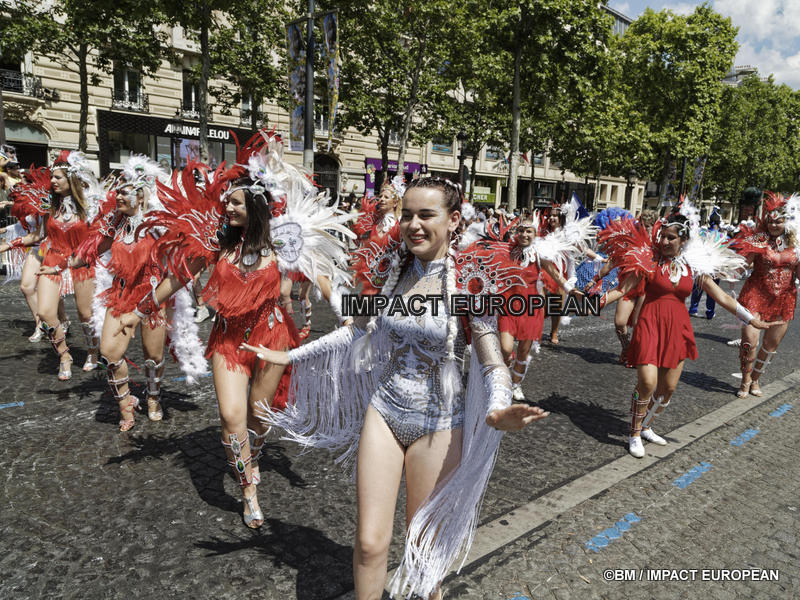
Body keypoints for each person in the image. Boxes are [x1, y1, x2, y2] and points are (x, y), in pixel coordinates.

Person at [243, 177, 548, 599]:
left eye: (427, 215)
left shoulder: (469, 285)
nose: (413, 225)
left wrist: (497, 408)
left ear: (453, 220)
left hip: (440, 423)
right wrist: (293, 357)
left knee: (423, 549)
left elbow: (492, 360)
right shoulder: (392, 270)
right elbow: (358, 332)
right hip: (384, 412)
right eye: (407, 215)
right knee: (369, 542)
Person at [115, 131, 352, 529]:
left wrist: (346, 312)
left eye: (235, 201)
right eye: (226, 200)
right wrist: (138, 311)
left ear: (255, 206)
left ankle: (251, 457)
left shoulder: (283, 243)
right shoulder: (217, 244)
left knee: (260, 419)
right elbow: (177, 277)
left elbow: (322, 275)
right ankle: (248, 489)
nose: (225, 205)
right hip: (228, 340)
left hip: (272, 339)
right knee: (231, 416)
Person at [598, 207, 770, 458]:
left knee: (667, 389)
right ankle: (634, 433)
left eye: (671, 238)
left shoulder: (693, 266)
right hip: (650, 323)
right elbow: (621, 290)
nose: (665, 241)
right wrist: (588, 303)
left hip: (677, 328)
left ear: (683, 241)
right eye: (663, 236)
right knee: (647, 382)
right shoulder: (649, 260)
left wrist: (750, 318)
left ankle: (647, 426)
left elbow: (721, 296)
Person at [72, 155, 205, 430]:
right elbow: (94, 251)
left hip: (154, 297)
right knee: (109, 353)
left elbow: (183, 257)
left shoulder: (159, 226)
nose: (118, 195)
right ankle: (126, 404)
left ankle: (154, 397)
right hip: (120, 295)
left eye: (125, 191)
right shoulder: (115, 222)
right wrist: (68, 260)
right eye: (118, 189)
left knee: (152, 356)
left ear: (142, 196)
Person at [0, 151, 101, 379]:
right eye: (52, 177)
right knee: (45, 313)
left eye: (58, 177)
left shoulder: (90, 207)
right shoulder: (50, 207)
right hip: (52, 261)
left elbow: (97, 241)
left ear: (71, 180)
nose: (52, 181)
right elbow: (37, 236)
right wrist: (8, 245)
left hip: (80, 263)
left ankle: (93, 351)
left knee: (86, 315)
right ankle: (64, 355)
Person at [733, 192, 800, 397]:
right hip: (756, 293)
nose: (773, 226)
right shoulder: (759, 240)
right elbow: (743, 264)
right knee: (749, 341)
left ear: (786, 222)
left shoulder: (796, 245)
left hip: (784, 299)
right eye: (769, 222)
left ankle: (756, 380)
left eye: (778, 222)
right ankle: (745, 379)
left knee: (770, 346)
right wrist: (723, 268)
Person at [350, 175, 404, 294]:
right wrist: (357, 272)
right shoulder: (374, 223)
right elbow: (367, 250)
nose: (382, 199)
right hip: (372, 280)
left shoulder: (401, 224)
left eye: (386, 197)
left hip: (393, 281)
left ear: (395, 203)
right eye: (380, 196)